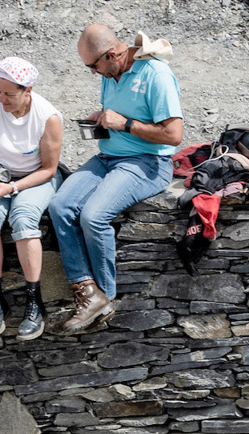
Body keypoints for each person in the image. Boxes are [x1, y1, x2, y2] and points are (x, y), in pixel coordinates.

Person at [54, 24, 183, 333]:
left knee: (94, 216)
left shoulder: (156, 75)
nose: (91, 72)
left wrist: (124, 124)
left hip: (148, 162)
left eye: (92, 66)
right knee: (60, 206)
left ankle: (105, 298)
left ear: (112, 54)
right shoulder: (111, 74)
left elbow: (173, 135)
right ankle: (87, 291)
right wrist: (100, 118)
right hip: (108, 158)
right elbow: (114, 112)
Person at [0, 55, 64, 340]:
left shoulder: (48, 117)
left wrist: (14, 189)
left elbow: (49, 169)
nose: (1, 99)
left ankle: (34, 301)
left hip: (34, 179)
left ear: (27, 91)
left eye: (8, 94)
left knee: (24, 219)